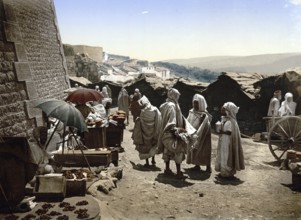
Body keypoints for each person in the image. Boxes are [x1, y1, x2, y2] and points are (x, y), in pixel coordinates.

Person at [157, 88, 196, 179]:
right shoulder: (172, 106)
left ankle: (167, 169)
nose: (178, 97)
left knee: (167, 151)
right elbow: (172, 120)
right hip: (173, 131)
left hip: (166, 132)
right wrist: (177, 129)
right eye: (177, 95)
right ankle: (178, 172)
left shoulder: (166, 105)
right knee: (178, 150)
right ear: (174, 95)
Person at [215, 102, 245, 178]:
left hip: (228, 142)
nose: (222, 111)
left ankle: (228, 173)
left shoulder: (232, 122)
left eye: (224, 110)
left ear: (229, 111)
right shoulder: (224, 119)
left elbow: (229, 132)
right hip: (224, 141)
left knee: (227, 156)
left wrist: (222, 131)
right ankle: (223, 172)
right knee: (223, 155)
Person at [132, 96, 162, 167]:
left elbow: (141, 122)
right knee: (153, 145)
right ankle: (153, 160)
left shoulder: (143, 112)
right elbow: (159, 119)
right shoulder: (155, 109)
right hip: (153, 131)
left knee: (145, 146)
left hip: (145, 133)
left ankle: (147, 162)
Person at [186, 94, 212, 173]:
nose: (195, 105)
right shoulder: (191, 112)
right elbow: (187, 121)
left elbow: (204, 125)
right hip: (193, 133)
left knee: (205, 149)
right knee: (194, 149)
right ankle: (197, 165)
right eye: (194, 103)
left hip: (203, 134)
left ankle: (208, 166)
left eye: (197, 103)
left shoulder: (204, 114)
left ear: (201, 104)